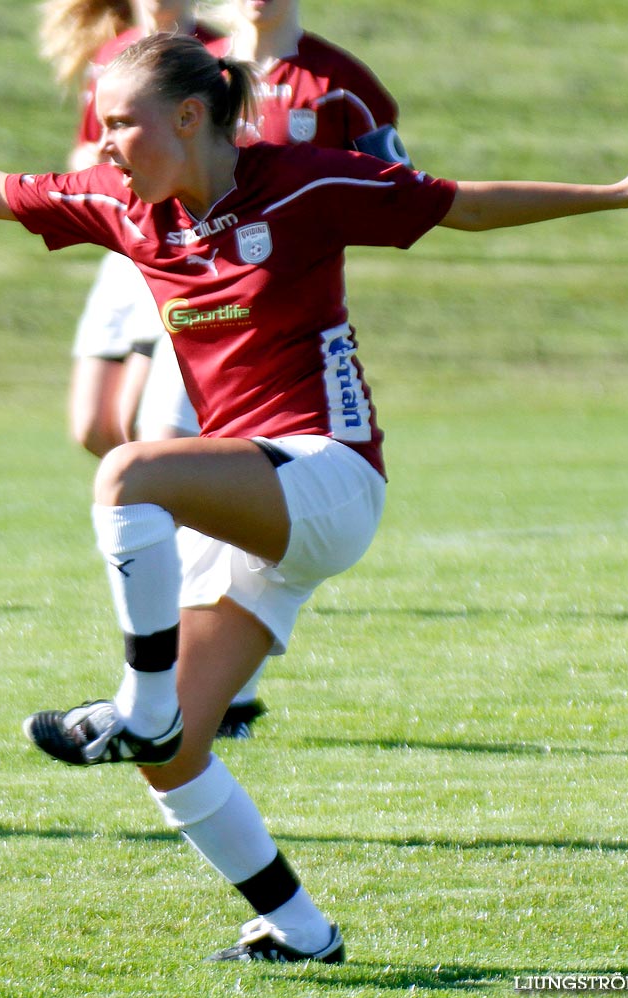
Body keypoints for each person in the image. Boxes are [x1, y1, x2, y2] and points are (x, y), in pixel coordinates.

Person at [0, 33, 628, 963]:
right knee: (171, 756)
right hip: (254, 499)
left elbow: (460, 205)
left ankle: (139, 702)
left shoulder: (306, 179)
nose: (101, 145)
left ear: (189, 117)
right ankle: (298, 929)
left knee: (127, 472)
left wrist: (618, 193)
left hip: (330, 474)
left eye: (117, 125)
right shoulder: (125, 207)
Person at [138, 0, 413, 736]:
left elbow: (398, 189)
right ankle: (179, 683)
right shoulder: (194, 71)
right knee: (152, 459)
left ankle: (203, 689)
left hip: (277, 319)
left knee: (167, 472)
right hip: (192, 310)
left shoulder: (341, 85)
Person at [42, 0, 221, 457]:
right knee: (93, 427)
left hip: (180, 250)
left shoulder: (218, 56)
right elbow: (87, 150)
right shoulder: (112, 56)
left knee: (141, 424)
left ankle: (182, 515)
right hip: (124, 249)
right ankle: (168, 506)